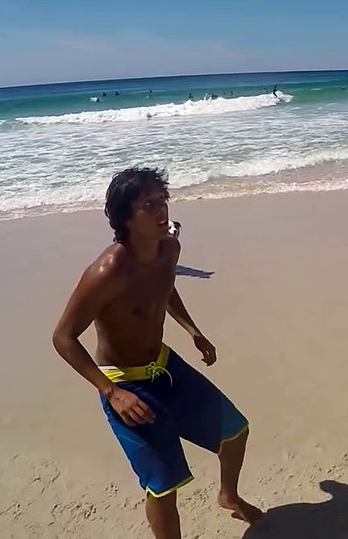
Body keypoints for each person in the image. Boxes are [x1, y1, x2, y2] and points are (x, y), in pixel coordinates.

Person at [51, 168, 261, 539]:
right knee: (164, 486)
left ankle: (229, 496)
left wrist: (193, 330)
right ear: (125, 218)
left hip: (164, 367)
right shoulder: (107, 271)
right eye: (149, 205)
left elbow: (162, 289)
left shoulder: (170, 248)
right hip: (126, 385)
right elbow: (64, 337)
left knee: (235, 432)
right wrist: (112, 392)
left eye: (163, 201)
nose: (162, 210)